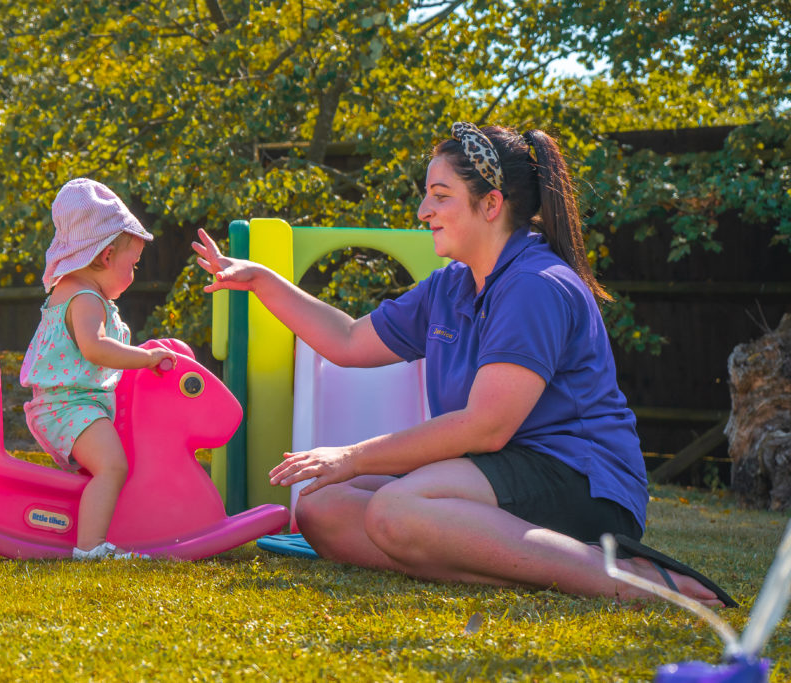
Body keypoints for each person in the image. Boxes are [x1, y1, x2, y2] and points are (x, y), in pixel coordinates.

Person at [192, 123, 736, 606]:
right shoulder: (451, 286)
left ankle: (618, 576)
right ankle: (504, 563)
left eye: (440, 196)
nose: (424, 211)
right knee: (321, 508)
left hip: (578, 482)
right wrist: (261, 280)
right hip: (494, 474)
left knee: (395, 512)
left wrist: (354, 456)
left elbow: (487, 427)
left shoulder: (534, 285)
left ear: (492, 204)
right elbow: (348, 340)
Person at [21, 177, 176, 560]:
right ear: (106, 256)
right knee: (112, 465)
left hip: (69, 403)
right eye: (133, 265)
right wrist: (146, 359)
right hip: (69, 406)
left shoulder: (71, 289)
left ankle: (99, 526)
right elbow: (95, 348)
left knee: (109, 463)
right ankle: (90, 549)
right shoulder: (87, 297)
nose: (134, 274)